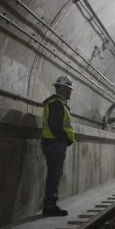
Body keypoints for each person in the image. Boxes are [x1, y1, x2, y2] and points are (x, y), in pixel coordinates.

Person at [41, 76, 75, 216]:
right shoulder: (56, 103)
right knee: (54, 174)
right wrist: (65, 139)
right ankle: (49, 206)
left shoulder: (58, 103)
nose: (70, 92)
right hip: (55, 143)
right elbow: (55, 125)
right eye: (68, 89)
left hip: (53, 142)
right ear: (60, 88)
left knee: (54, 174)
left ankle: (50, 204)